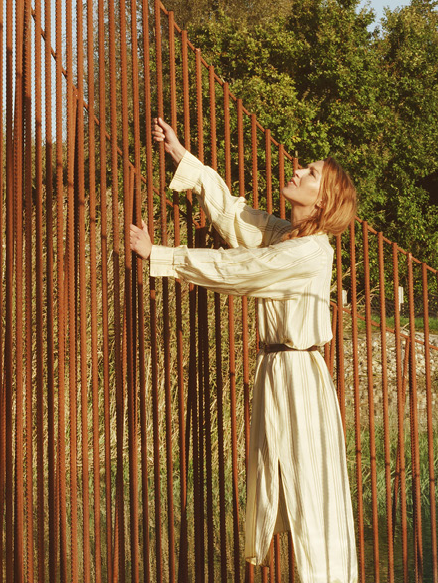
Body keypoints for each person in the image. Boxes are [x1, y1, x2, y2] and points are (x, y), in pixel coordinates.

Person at [130, 118, 358, 583]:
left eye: (310, 173)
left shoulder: (312, 251)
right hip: (274, 369)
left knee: (312, 491)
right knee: (273, 484)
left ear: (324, 199)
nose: (297, 172)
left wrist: (161, 255)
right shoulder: (286, 235)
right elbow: (236, 216)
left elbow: (242, 268)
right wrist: (180, 155)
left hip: (299, 374)